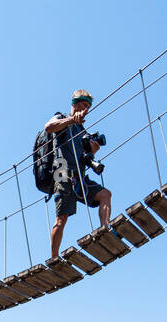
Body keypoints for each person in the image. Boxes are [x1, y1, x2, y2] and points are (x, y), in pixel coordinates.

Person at [45, 90, 112, 258]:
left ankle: (105, 230)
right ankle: (54, 257)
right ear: (74, 104)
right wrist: (70, 120)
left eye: (88, 107)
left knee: (105, 195)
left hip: (79, 177)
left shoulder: (82, 132)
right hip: (63, 174)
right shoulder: (61, 117)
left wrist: (93, 151)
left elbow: (83, 158)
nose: (85, 109)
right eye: (82, 105)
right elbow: (49, 127)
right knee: (61, 220)